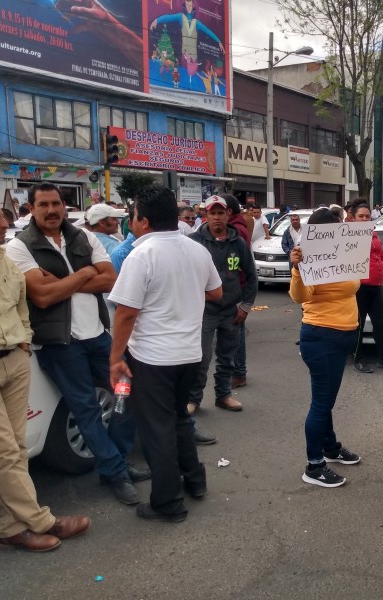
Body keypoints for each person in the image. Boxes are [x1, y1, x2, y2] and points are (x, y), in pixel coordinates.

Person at [0, 195, 90, 552]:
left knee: (15, 448)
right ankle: (43, 520)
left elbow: (20, 303)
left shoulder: (4, 257)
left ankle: (11, 528)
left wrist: (24, 339)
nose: (6, 224)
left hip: (13, 361)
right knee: (2, 453)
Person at [6, 183, 146, 506]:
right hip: (59, 344)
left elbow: (111, 279)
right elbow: (42, 296)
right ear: (31, 208)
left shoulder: (84, 237)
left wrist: (64, 282)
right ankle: (115, 471)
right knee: (86, 409)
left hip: (98, 336)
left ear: (64, 205)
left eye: (56, 203)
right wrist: (85, 275)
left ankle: (118, 457)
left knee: (128, 390)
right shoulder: (20, 247)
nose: (52, 210)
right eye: (43, 204)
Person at [108, 185, 223, 522]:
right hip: (189, 352)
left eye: (132, 218)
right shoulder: (196, 250)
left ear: (141, 220)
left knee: (157, 429)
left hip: (153, 357)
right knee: (178, 419)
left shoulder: (141, 255)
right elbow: (215, 291)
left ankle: (168, 502)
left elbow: (125, 313)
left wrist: (115, 359)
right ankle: (195, 481)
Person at [289, 208, 362, 487]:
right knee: (321, 403)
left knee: (326, 399)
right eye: (332, 229)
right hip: (320, 336)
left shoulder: (344, 253)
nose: (339, 232)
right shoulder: (308, 255)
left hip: (343, 336)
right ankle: (314, 465)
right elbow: (300, 297)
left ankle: (330, 448)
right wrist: (296, 268)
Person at [187, 196, 257, 413]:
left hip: (231, 311)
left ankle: (223, 396)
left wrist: (245, 306)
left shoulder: (238, 243)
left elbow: (251, 275)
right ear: (205, 215)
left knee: (227, 356)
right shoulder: (193, 242)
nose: (217, 217)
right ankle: (193, 400)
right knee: (201, 358)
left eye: (221, 213)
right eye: (212, 213)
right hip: (204, 312)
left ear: (228, 215)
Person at [351, 199, 383, 373]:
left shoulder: (374, 234)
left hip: (377, 287)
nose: (364, 219)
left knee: (380, 323)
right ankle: (358, 358)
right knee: (359, 325)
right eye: (360, 216)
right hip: (359, 288)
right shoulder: (349, 236)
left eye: (367, 216)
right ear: (353, 218)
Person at [220, 195, 252, 388]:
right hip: (232, 287)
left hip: (236, 287)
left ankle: (239, 373)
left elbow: (241, 265)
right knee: (233, 332)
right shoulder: (237, 228)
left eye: (220, 212)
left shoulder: (236, 231)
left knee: (236, 332)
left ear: (228, 213)